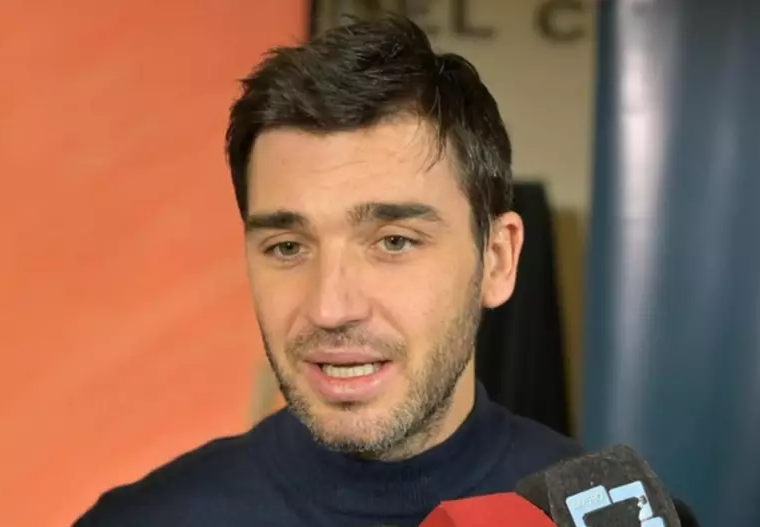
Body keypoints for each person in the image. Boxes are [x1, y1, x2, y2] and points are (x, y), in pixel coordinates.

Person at [73, 14, 582, 527]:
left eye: (394, 242)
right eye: (288, 247)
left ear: (497, 260)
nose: (330, 309)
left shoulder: (599, 512)